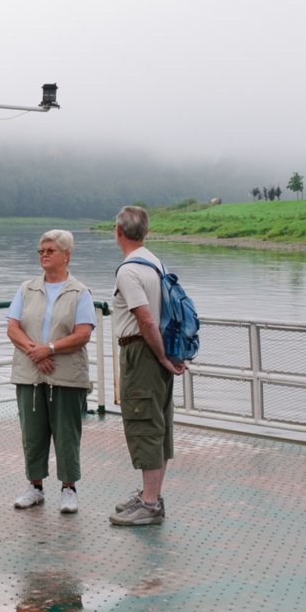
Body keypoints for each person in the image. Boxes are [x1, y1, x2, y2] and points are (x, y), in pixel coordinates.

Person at [5, 229, 97, 514]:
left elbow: (82, 334)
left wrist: (51, 348)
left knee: (66, 433)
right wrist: (36, 351)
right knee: (32, 433)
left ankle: (69, 489)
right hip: (30, 374)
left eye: (50, 251)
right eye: (41, 251)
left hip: (66, 375)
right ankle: (35, 487)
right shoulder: (27, 288)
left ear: (66, 256)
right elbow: (13, 327)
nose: (44, 255)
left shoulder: (79, 292)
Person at [109, 205, 184, 527]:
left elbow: (145, 319)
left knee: (144, 424)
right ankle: (150, 495)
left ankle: (150, 503)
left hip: (143, 353)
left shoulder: (128, 270)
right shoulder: (155, 262)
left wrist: (161, 356)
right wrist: (166, 355)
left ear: (118, 232)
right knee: (158, 422)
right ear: (147, 232)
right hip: (157, 351)